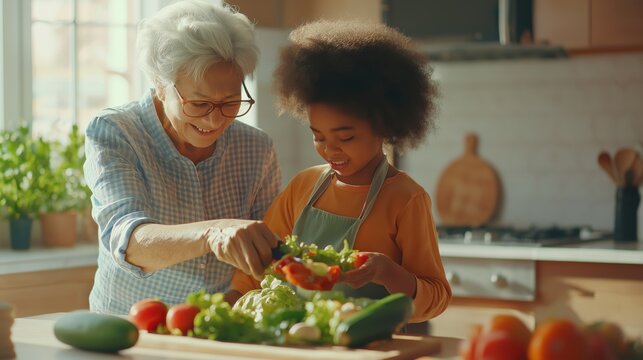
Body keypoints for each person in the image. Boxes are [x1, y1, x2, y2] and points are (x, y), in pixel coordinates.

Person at [229, 20, 451, 323]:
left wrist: (390, 273)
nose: (330, 150)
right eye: (318, 136)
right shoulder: (302, 186)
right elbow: (256, 269)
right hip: (297, 342)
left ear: (384, 126)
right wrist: (224, 305)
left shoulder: (406, 199)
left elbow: (437, 296)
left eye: (345, 138)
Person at [83, 0, 281, 315]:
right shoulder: (116, 132)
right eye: (200, 103)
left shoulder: (257, 148)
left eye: (230, 102)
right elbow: (129, 243)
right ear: (161, 86)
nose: (215, 121)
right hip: (128, 328)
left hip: (218, 325)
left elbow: (265, 253)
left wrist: (224, 312)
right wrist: (215, 233)